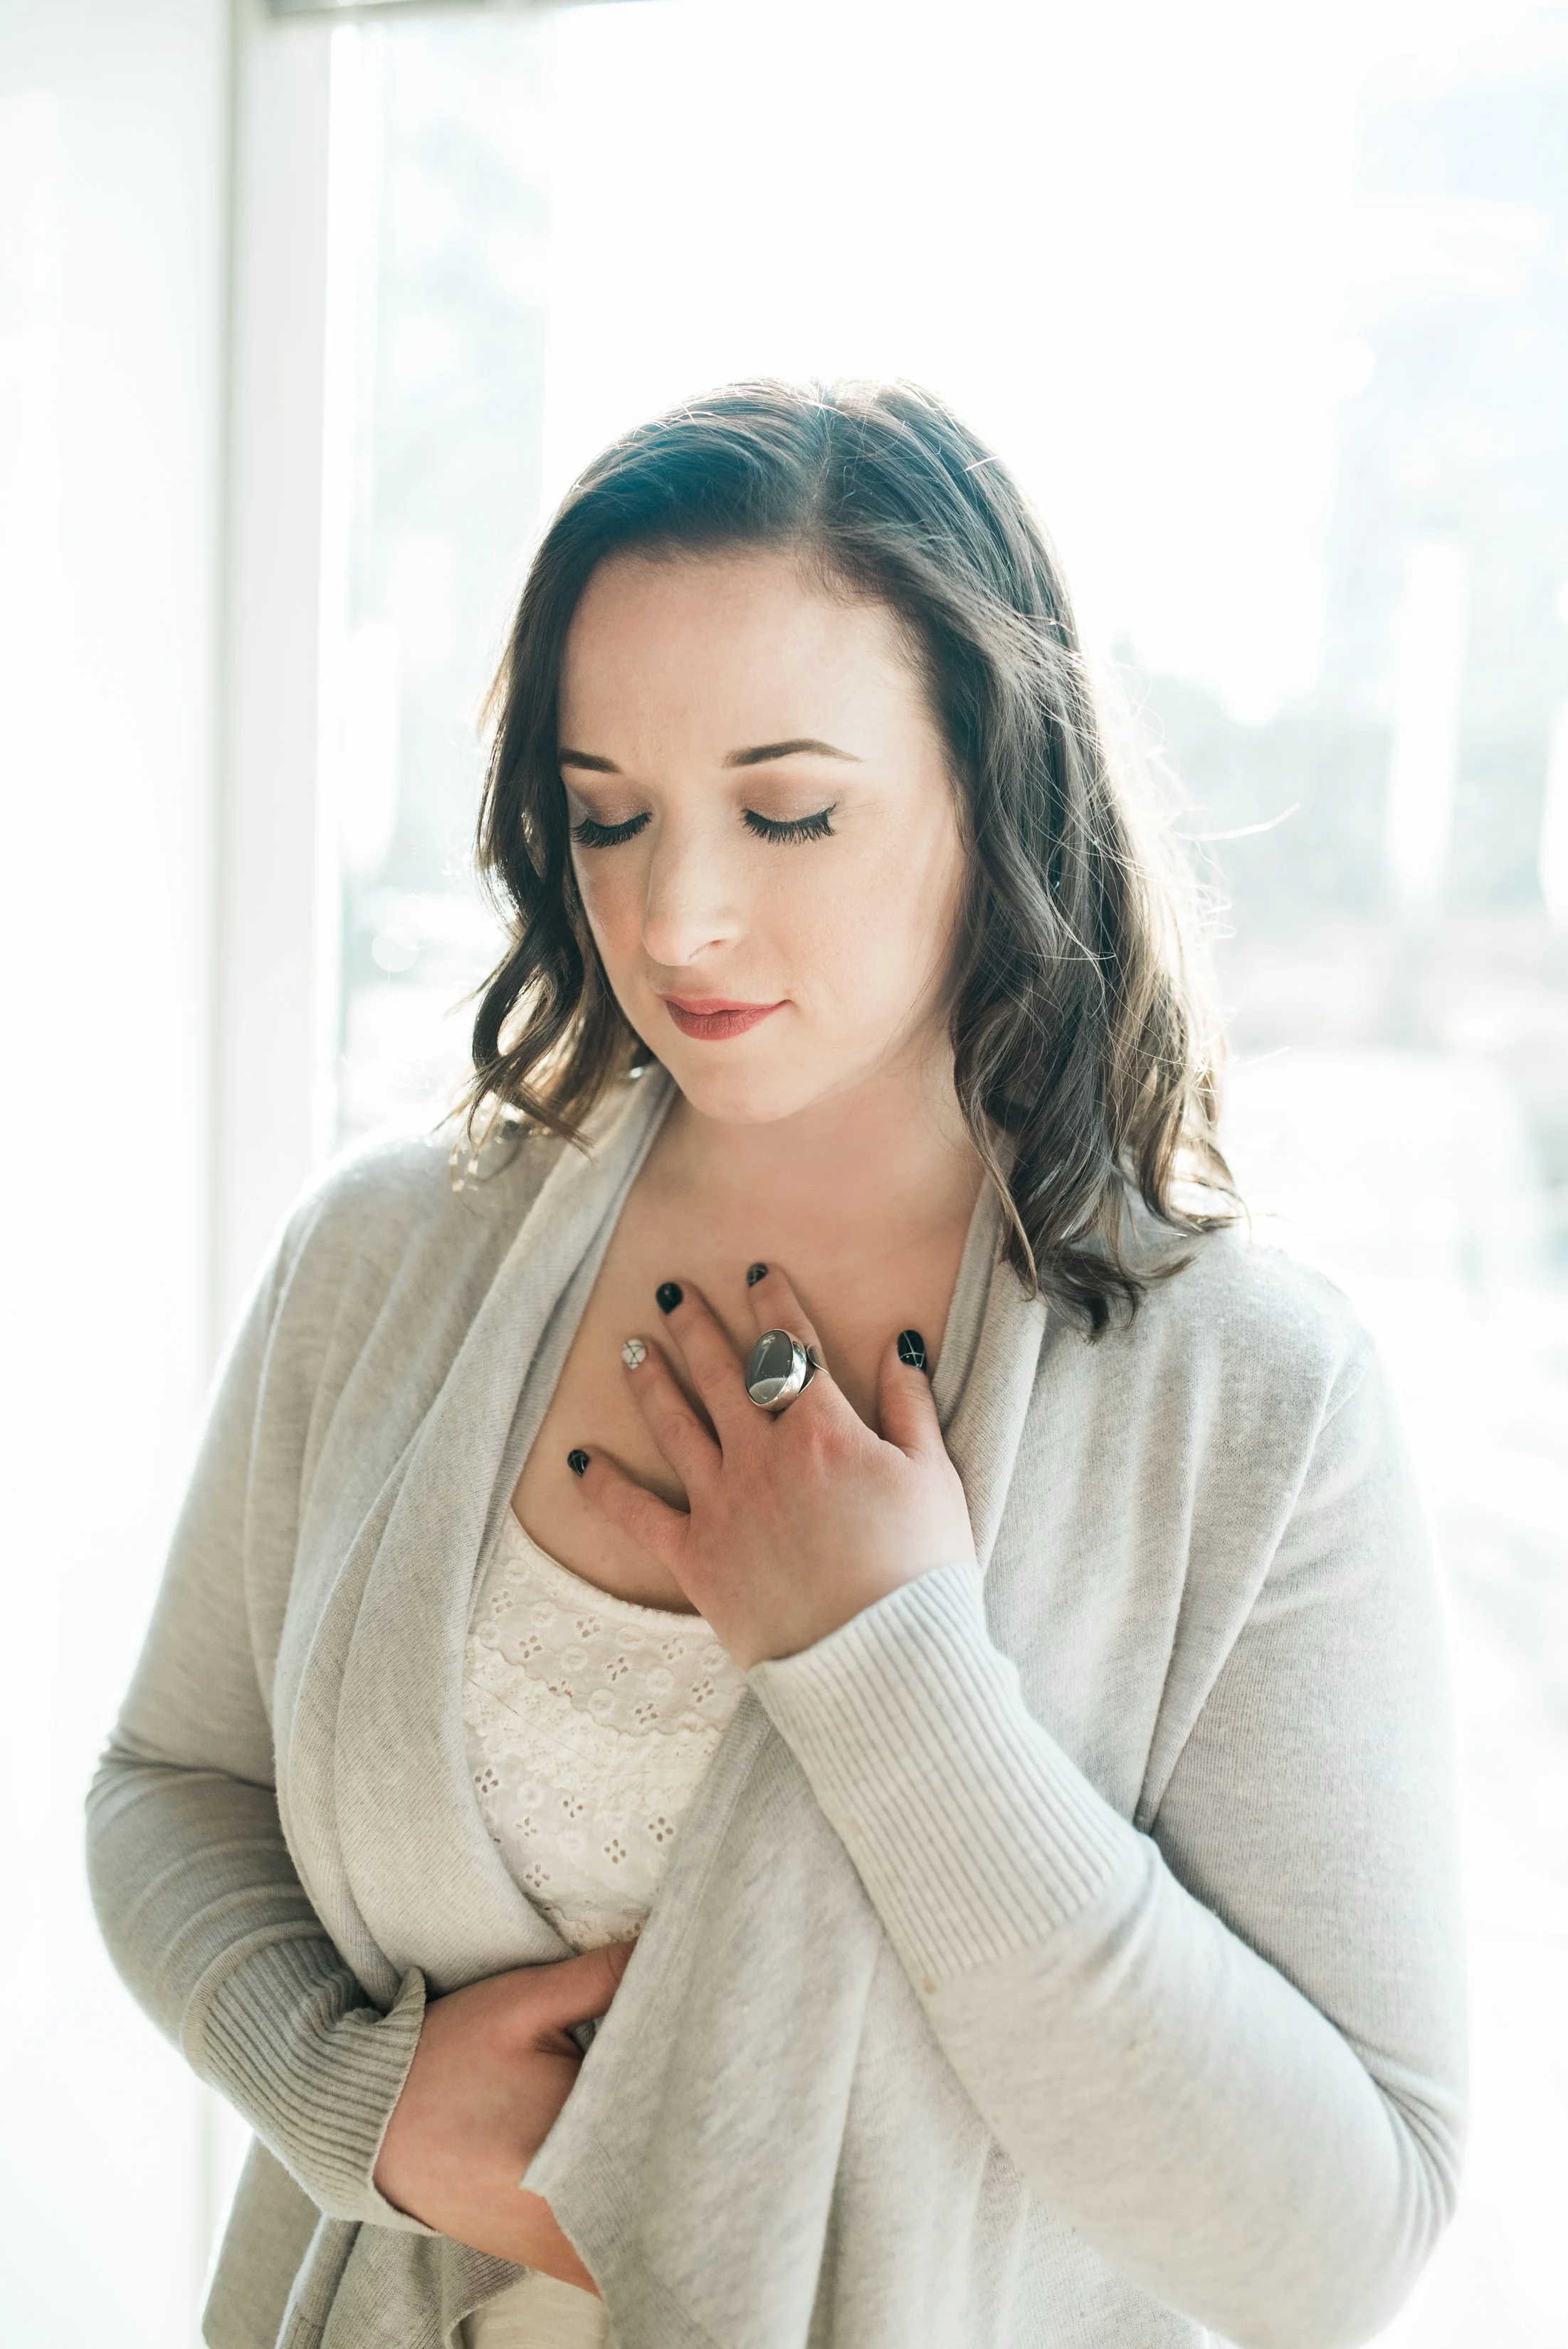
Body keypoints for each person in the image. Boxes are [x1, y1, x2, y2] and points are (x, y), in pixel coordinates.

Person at [87, 379, 1466, 2349]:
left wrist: (893, 1673)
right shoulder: (386, 1256)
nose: (677, 916)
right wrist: (346, 2096)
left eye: (789, 811)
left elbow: (1343, 2245)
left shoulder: (1251, 1402)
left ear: (997, 786)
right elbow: (168, 1786)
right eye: (608, 815)